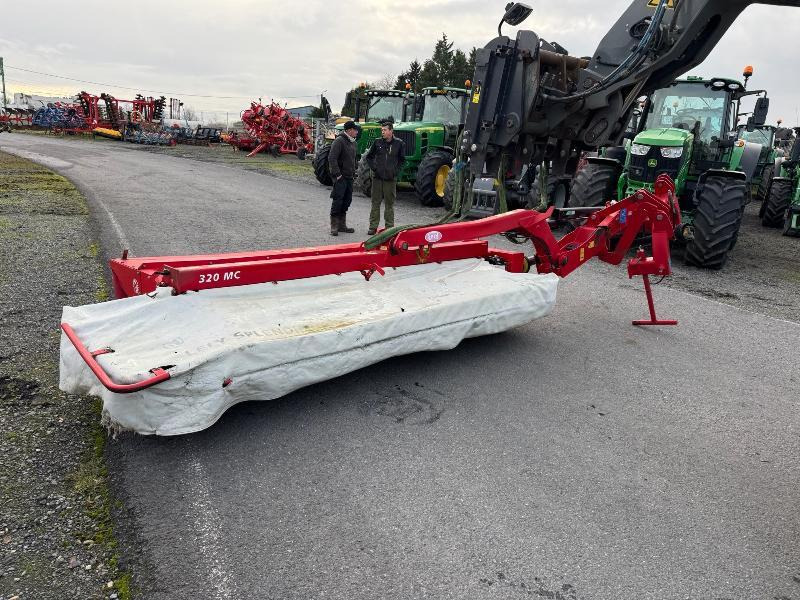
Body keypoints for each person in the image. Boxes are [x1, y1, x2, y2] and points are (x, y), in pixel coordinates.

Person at [365, 120, 406, 235]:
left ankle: (389, 228)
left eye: (384, 130)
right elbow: (369, 157)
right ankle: (373, 227)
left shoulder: (399, 144)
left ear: (391, 131)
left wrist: (395, 172)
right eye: (381, 130)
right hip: (377, 178)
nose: (382, 132)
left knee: (389, 204)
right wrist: (375, 169)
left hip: (390, 179)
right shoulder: (377, 142)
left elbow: (402, 161)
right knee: (375, 202)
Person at [328, 121, 360, 236]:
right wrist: (338, 175)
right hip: (340, 177)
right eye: (355, 129)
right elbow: (332, 158)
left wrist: (355, 170)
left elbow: (354, 159)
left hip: (349, 177)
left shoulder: (353, 143)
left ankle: (342, 225)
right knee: (338, 200)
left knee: (347, 200)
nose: (357, 132)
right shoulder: (339, 141)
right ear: (349, 130)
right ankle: (334, 226)